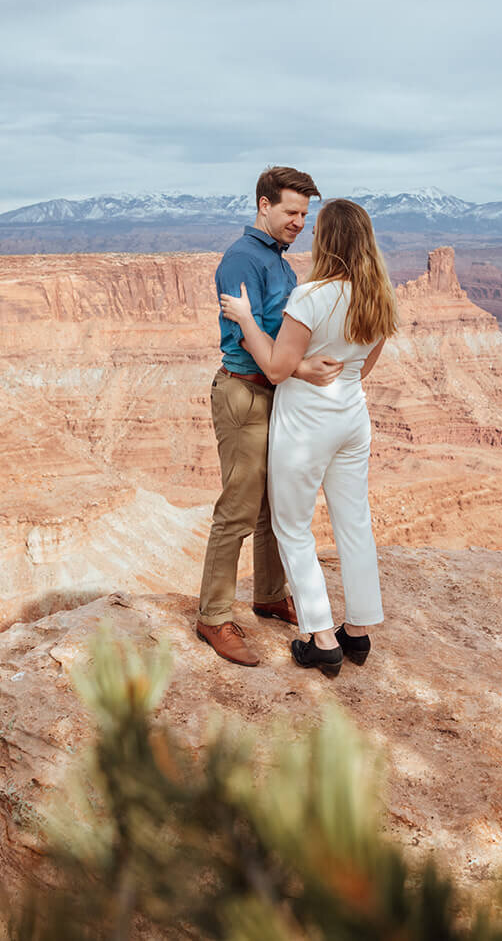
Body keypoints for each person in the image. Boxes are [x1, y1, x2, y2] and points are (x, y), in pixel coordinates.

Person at [219, 198, 397, 677]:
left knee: (293, 527)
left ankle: (320, 636)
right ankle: (357, 633)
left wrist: (245, 319)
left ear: (329, 241)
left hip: (306, 425)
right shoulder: (378, 296)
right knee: (354, 522)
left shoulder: (312, 296)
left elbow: (277, 370)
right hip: (352, 420)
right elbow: (363, 370)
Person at [196, 167, 341, 667]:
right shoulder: (243, 258)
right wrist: (299, 367)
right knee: (237, 508)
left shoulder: (279, 262)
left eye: (305, 214)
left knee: (270, 506)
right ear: (263, 205)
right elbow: (249, 336)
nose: (299, 222)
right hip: (245, 395)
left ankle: (268, 594)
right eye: (291, 211)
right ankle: (213, 616)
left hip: (273, 395)